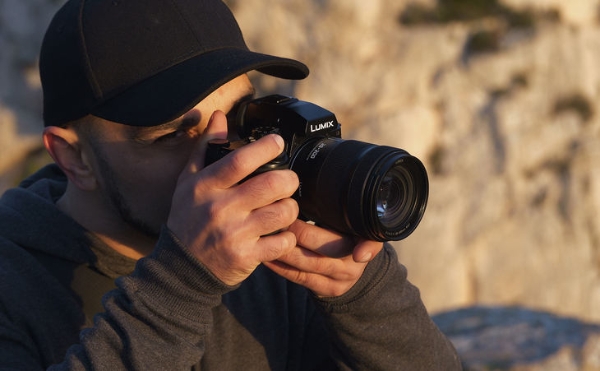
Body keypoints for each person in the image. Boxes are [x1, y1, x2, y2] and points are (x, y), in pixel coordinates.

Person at [0, 0, 461, 369]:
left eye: (243, 117)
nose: (231, 155)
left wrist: (363, 295)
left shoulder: (276, 251)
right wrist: (182, 282)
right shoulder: (14, 287)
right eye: (176, 133)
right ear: (73, 156)